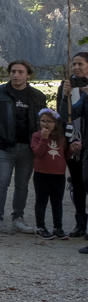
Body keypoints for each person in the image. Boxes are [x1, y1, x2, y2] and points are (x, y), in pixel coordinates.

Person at [0, 59, 44, 235]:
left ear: (28, 75)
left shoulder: (37, 96)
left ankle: (18, 217)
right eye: (13, 72)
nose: (16, 75)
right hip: (5, 145)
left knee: (22, 184)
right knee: (1, 182)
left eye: (20, 72)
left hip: (28, 146)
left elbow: (43, 120)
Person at [56, 51, 87, 240]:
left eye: (80, 64)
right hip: (73, 141)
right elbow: (64, 115)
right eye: (74, 64)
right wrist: (65, 96)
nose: (76, 67)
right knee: (77, 183)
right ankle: (80, 222)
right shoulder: (67, 85)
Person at [31, 109, 68, 240]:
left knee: (57, 202)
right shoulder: (36, 136)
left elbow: (65, 154)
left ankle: (58, 227)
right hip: (42, 174)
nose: (45, 124)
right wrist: (44, 138)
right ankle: (40, 227)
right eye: (42, 121)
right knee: (41, 201)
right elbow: (38, 153)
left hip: (58, 174)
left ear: (56, 123)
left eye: (49, 121)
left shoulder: (61, 137)